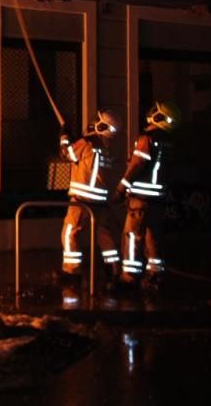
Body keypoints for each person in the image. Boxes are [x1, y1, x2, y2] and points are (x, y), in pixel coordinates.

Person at [116, 100, 181, 289]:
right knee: (154, 239)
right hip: (158, 201)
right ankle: (155, 275)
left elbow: (136, 166)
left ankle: (129, 277)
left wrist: (121, 189)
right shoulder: (168, 143)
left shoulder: (146, 139)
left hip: (141, 201)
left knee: (132, 237)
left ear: (160, 117)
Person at [58, 109, 123, 284]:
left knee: (70, 233)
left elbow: (66, 154)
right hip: (101, 203)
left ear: (102, 126)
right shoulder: (107, 149)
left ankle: (72, 272)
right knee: (105, 236)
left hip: (81, 201)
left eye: (97, 120)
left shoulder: (87, 143)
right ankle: (114, 269)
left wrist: (64, 136)